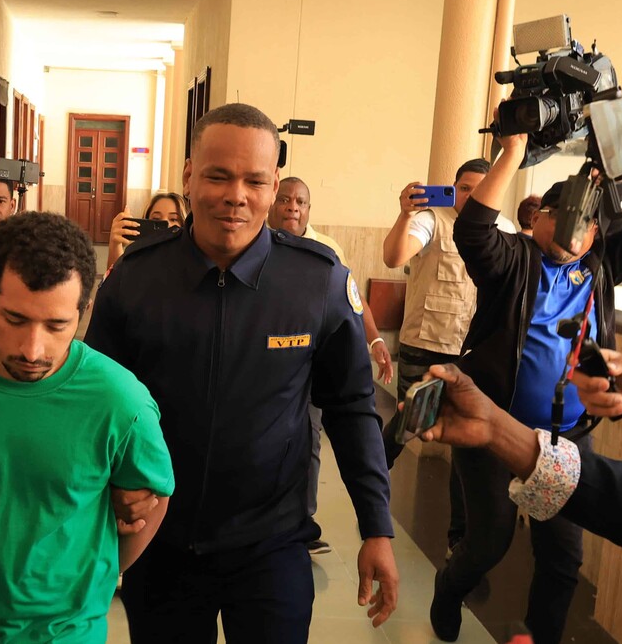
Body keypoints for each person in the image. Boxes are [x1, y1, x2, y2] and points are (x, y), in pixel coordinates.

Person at [86, 103, 398, 643]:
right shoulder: (135, 279)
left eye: (254, 180)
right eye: (218, 176)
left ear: (274, 186)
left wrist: (377, 526)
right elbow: (95, 406)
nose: (236, 196)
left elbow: (350, 407)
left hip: (272, 546)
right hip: (160, 543)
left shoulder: (317, 282)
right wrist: (109, 489)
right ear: (189, 176)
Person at [0, 212, 174, 642]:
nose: (32, 349)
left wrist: (88, 576)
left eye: (57, 325)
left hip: (64, 631)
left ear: (83, 310)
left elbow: (151, 503)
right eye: (14, 320)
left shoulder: (121, 401)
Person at [430, 126, 622, 644]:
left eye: (587, 223)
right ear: (539, 219)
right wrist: (513, 152)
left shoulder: (600, 267)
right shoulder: (516, 259)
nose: (577, 232)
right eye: (565, 217)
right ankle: (449, 586)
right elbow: (473, 232)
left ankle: (539, 635)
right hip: (490, 426)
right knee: (490, 541)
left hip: (565, 438)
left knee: (562, 556)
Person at [380, 157, 516, 556]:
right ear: (453, 188)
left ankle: (459, 536)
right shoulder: (431, 219)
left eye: (480, 189)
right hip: (427, 342)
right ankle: (368, 486)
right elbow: (394, 257)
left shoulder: (506, 230)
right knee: (408, 423)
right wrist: (405, 214)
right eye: (464, 188)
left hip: (474, 349)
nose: (471, 196)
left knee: (465, 443)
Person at [266, 176, 394, 555]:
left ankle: (303, 522)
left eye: (300, 202)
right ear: (273, 203)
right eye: (285, 200)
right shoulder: (255, 243)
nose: (292, 207)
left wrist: (375, 340)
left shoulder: (327, 251)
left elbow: (352, 300)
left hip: (313, 363)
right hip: (269, 365)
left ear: (309, 209)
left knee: (310, 439)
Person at [416, 355, 622, 555]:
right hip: (508, 422)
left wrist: (494, 428)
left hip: (568, 433)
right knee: (488, 542)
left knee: (563, 555)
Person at [106, 192, 188, 268]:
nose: (167, 224)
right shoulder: (137, 257)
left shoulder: (189, 260)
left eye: (173, 219)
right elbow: (116, 278)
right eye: (156, 219)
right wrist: (115, 245)